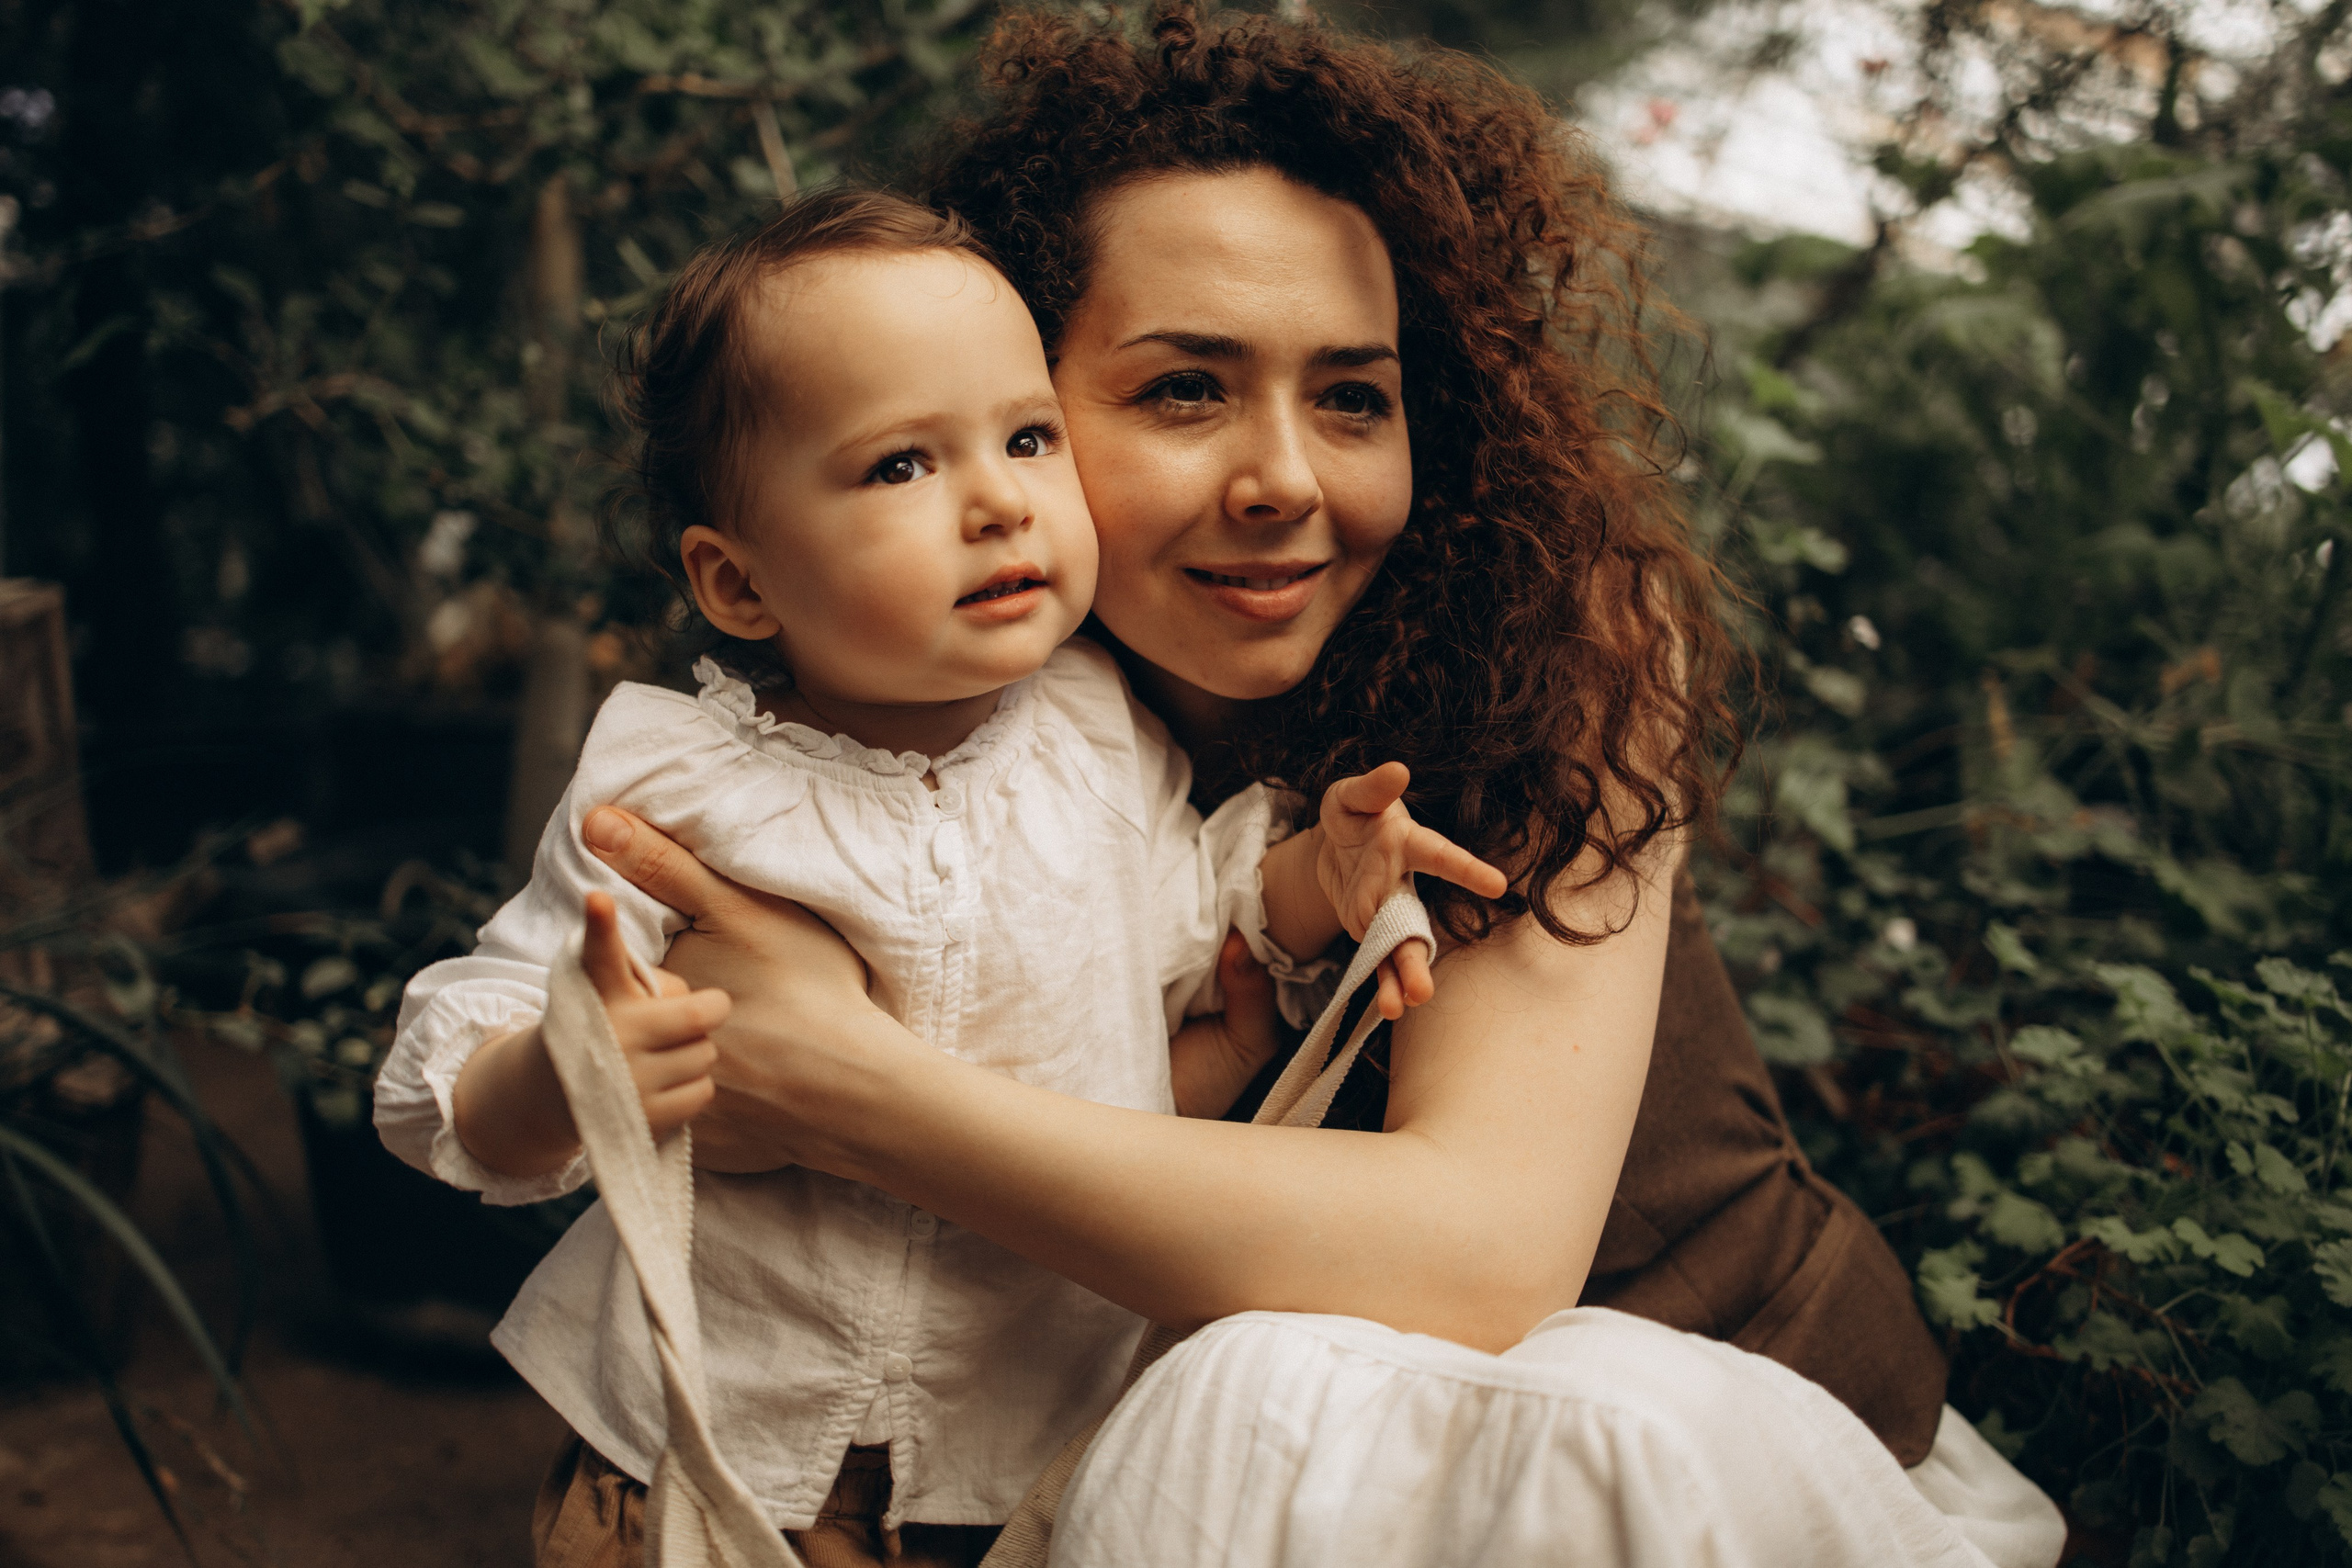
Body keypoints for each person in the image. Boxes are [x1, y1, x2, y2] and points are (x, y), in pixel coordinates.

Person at [372, 186, 1503, 1568]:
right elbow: (450, 1058)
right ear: (738, 585)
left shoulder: (1096, 736)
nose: (997, 502)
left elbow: (1180, 931)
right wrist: (561, 1073)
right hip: (707, 1464)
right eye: (902, 466)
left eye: (1028, 437)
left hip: (1029, 1470)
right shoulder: (677, 789)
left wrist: (1319, 880)